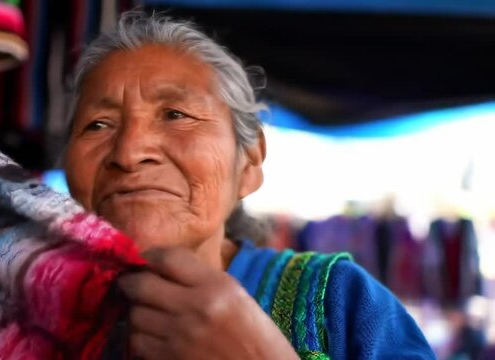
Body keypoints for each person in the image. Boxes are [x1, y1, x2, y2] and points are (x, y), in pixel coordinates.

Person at [62, 10, 435, 359]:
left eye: (176, 115)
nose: (128, 153)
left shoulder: (339, 301)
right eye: (98, 124)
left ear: (250, 162)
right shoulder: (25, 312)